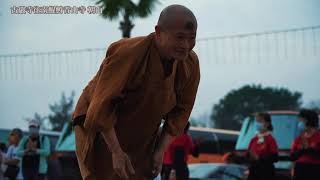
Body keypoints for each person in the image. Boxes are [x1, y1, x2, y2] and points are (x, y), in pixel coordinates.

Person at [72, 4, 200, 180]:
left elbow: (181, 112)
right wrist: (116, 152)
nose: (186, 45)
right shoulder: (128, 53)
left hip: (142, 129)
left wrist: (160, 151)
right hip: (100, 126)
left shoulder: (190, 64)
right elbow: (101, 107)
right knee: (106, 173)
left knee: (138, 173)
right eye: (179, 37)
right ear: (159, 32)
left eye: (191, 38)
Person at [247, 112, 278, 180]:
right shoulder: (254, 139)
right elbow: (248, 155)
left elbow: (275, 157)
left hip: (265, 173)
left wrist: (259, 158)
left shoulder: (270, 139)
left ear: (267, 124)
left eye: (260, 121)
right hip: (254, 172)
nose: (257, 124)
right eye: (257, 121)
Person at [290, 109, 320, 180]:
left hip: (314, 171)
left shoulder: (318, 137)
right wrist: (302, 150)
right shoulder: (299, 138)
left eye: (302, 120)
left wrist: (308, 148)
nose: (300, 123)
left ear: (309, 121)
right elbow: (292, 157)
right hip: (299, 171)